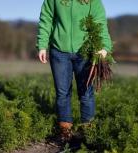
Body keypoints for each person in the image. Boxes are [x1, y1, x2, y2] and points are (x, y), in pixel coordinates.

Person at [36, 0, 112, 143]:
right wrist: (42, 45)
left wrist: (105, 47)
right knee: (62, 92)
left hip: (84, 52)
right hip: (58, 52)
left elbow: (100, 23)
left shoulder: (92, 1)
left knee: (86, 92)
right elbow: (46, 19)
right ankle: (65, 131)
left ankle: (87, 130)